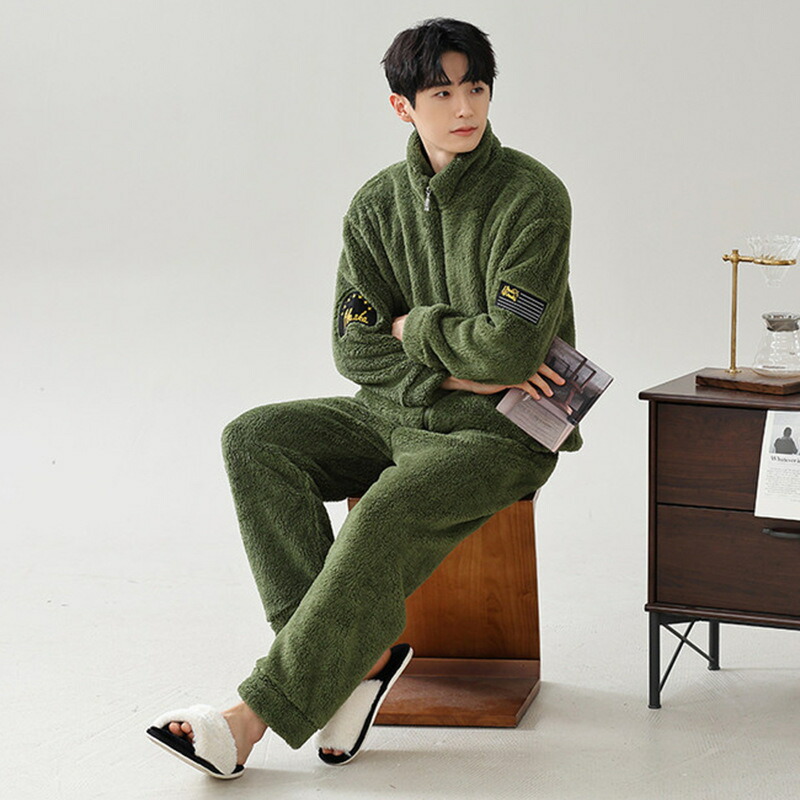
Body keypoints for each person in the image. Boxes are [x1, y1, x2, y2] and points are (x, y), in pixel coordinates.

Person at [146, 17, 582, 779]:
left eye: (476, 87)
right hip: (391, 410)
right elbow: (353, 348)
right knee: (254, 438)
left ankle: (249, 720)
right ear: (401, 106)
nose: (464, 107)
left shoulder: (533, 197)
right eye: (441, 93)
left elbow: (511, 352)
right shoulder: (376, 206)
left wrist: (414, 327)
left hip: (500, 432)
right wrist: (455, 366)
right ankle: (353, 662)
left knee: (380, 511)